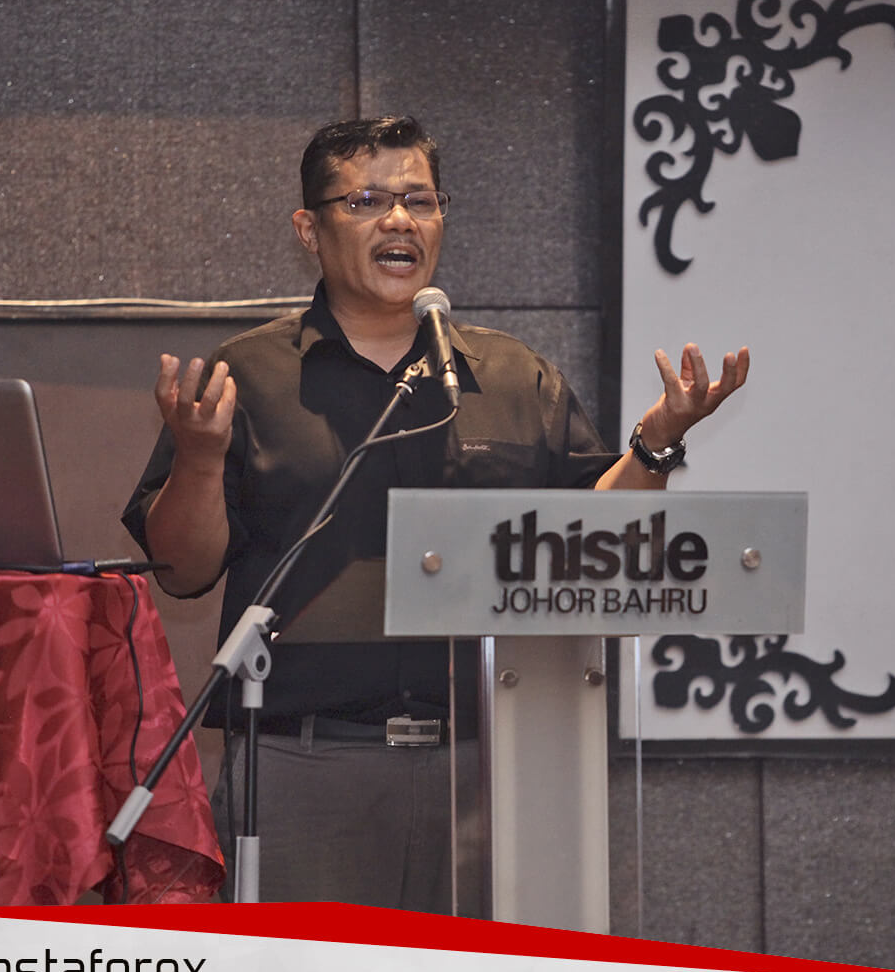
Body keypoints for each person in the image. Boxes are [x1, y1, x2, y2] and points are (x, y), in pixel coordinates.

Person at [122, 115, 749, 914]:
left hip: (493, 766)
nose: (399, 221)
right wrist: (201, 458)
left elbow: (597, 551)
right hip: (308, 768)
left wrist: (655, 444)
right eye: (367, 202)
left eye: (420, 201)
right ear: (309, 230)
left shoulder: (513, 377)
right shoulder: (249, 374)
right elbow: (182, 570)